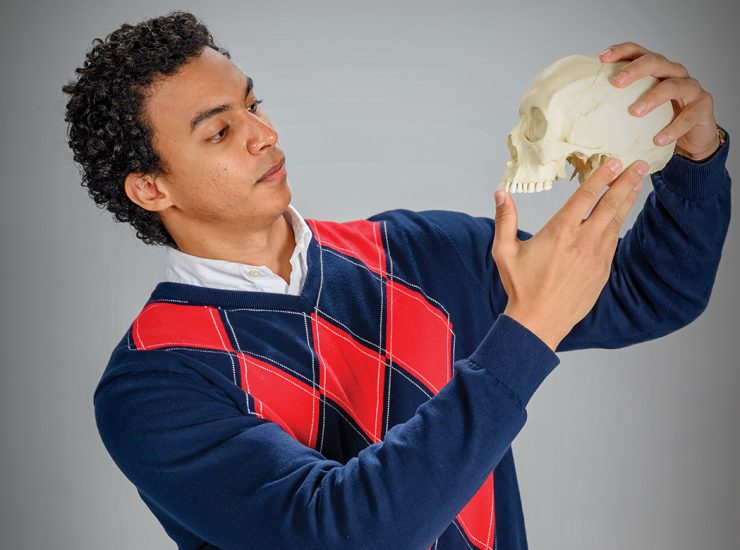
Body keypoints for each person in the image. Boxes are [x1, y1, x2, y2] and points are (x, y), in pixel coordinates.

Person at [62, 11, 731, 550]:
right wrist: (527, 333)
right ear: (151, 188)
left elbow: (655, 293)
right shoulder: (153, 385)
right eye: (219, 132)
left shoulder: (422, 252)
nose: (263, 134)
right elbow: (347, 536)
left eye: (253, 104)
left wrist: (693, 157)